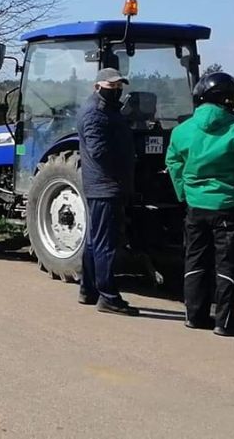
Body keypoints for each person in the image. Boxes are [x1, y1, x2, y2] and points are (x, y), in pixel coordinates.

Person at [167, 72, 234, 337]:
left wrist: (183, 192)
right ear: (229, 100)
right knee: (228, 264)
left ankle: (194, 316)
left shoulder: (182, 130)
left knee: (195, 261)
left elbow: (173, 163)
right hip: (228, 207)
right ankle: (226, 321)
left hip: (195, 207)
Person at [77, 68, 139, 316]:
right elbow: (99, 151)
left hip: (107, 184)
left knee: (95, 240)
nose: (116, 90)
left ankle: (88, 289)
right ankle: (108, 296)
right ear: (97, 87)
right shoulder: (95, 113)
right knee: (105, 244)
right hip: (105, 185)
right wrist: (127, 160)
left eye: (118, 86)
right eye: (111, 86)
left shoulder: (109, 110)